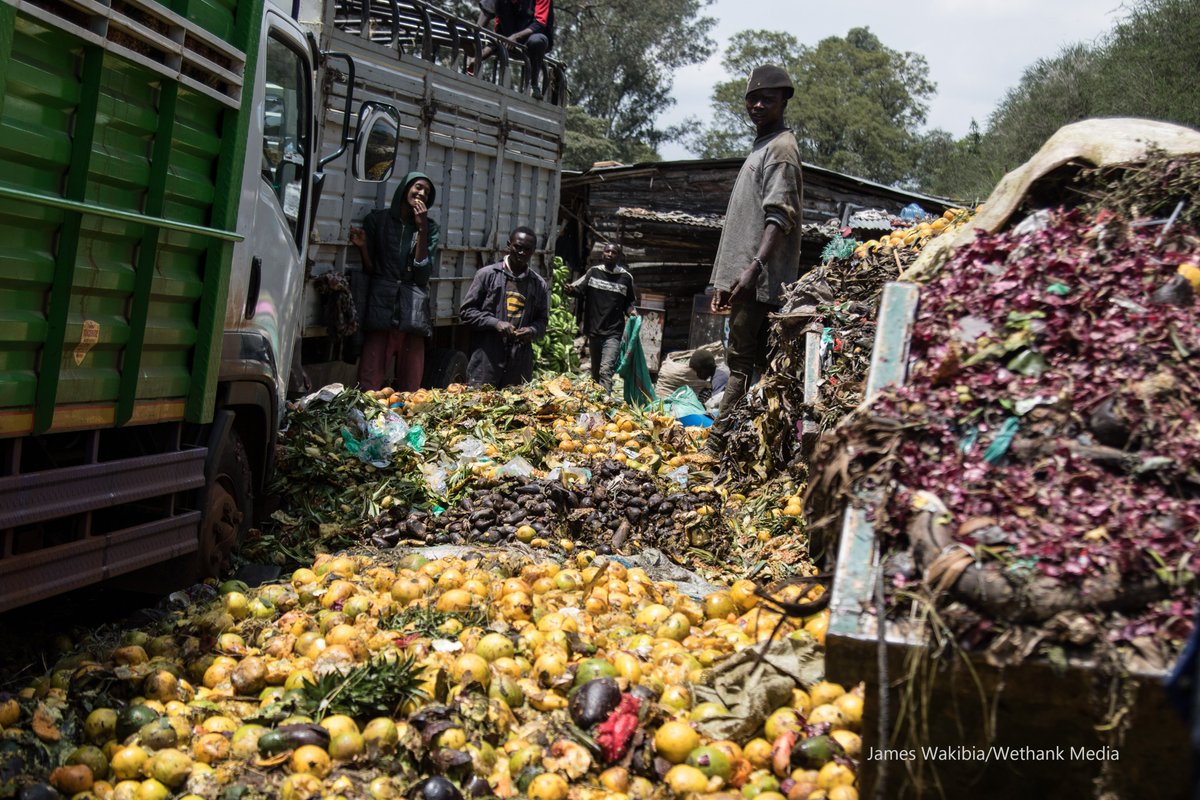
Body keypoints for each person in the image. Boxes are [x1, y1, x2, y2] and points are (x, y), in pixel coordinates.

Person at [704, 64, 804, 456]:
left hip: (758, 280)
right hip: (744, 277)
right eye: (753, 98)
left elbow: (780, 216)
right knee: (759, 363)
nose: (758, 105)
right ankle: (756, 447)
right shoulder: (762, 146)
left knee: (740, 362)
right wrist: (724, 278)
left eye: (768, 99)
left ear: (784, 102)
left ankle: (717, 444)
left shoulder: (781, 148)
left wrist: (753, 269)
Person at [349, 172, 439, 392]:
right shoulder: (377, 221)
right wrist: (362, 248)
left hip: (412, 310)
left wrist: (422, 229)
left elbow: (422, 275)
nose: (421, 194)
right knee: (369, 379)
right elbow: (372, 270)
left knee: (411, 383)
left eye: (426, 192)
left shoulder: (430, 227)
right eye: (418, 187)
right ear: (404, 188)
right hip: (382, 304)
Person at [460, 226, 550, 388]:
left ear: (533, 251)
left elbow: (543, 321)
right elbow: (467, 312)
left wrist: (532, 331)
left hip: (519, 362)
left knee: (514, 409)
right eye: (518, 247)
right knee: (479, 407)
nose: (521, 253)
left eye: (527, 250)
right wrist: (496, 323)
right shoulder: (487, 275)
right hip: (487, 359)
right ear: (509, 245)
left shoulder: (538, 284)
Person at [566, 242, 636, 392]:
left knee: (606, 371)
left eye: (614, 252)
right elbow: (579, 291)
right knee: (596, 373)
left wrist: (631, 311)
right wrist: (569, 290)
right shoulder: (593, 273)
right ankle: (595, 405)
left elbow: (628, 302)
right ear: (602, 254)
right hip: (594, 331)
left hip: (613, 333)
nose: (610, 254)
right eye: (607, 251)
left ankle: (605, 404)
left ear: (619, 257)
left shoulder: (625, 277)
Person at [483, 0, 554, 96]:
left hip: (533, 36)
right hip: (508, 36)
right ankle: (473, 58)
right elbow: (498, 30)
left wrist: (515, 37)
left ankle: (533, 85)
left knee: (538, 41)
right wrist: (479, 55)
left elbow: (540, 23)